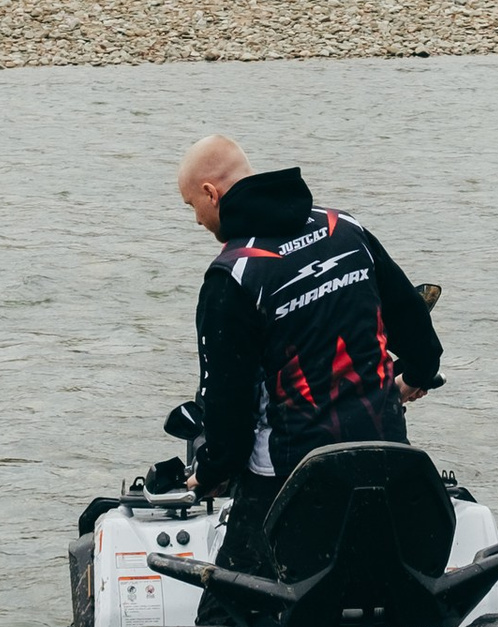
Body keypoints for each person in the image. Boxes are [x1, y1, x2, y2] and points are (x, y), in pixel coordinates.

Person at [175, 133, 443, 572]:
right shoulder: (346, 229)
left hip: (289, 486)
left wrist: (209, 473)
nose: (197, 220)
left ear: (211, 193)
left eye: (192, 207)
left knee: (225, 612)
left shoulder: (233, 276)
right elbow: (418, 333)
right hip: (389, 462)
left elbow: (229, 408)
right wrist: (411, 378)